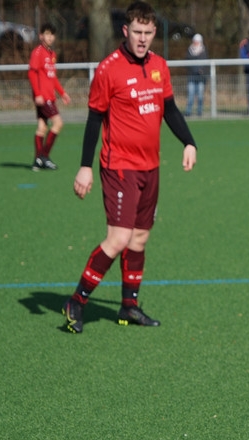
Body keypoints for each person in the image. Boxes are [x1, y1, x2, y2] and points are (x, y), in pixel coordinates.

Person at [62, 1, 197, 334]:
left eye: (148, 32)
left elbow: (170, 109)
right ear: (125, 31)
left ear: (154, 32)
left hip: (151, 167)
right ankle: (76, 301)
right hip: (119, 166)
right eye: (137, 31)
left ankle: (129, 306)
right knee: (119, 238)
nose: (142, 38)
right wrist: (84, 167)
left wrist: (189, 142)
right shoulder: (109, 69)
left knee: (139, 238)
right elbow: (94, 119)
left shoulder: (159, 66)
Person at [28, 23, 71, 171]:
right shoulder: (38, 52)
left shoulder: (52, 54)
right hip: (43, 97)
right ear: (41, 36)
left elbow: (53, 78)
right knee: (58, 123)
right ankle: (44, 157)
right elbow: (32, 73)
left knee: (42, 127)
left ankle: (37, 161)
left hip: (49, 96)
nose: (50, 37)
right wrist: (38, 94)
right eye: (47, 34)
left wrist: (62, 93)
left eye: (52, 34)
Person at [185, 33, 207, 117]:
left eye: (197, 41)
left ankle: (199, 111)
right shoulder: (189, 51)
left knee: (200, 95)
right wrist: (195, 69)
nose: (195, 43)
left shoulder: (204, 51)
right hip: (191, 76)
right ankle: (188, 111)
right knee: (190, 94)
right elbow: (188, 62)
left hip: (201, 77)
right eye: (194, 41)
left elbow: (205, 63)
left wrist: (201, 70)